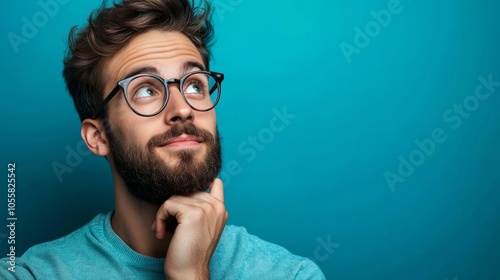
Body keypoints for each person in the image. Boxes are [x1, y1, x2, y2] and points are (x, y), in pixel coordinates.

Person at [1, 0, 325, 279]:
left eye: (195, 84)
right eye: (145, 89)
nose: (183, 109)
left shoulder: (291, 274)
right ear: (97, 137)